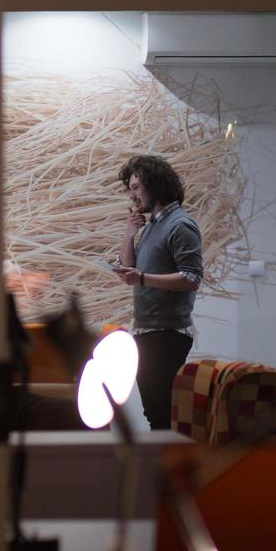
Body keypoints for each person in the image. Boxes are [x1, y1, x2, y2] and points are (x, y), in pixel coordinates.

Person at [112, 154, 203, 430]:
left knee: (162, 416)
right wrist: (129, 234)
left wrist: (142, 278)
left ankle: (165, 470)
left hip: (167, 335)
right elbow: (129, 267)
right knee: (155, 414)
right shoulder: (153, 225)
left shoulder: (180, 225)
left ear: (156, 184)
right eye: (130, 188)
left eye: (137, 187)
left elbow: (191, 278)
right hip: (148, 332)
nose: (132, 195)